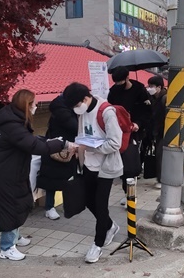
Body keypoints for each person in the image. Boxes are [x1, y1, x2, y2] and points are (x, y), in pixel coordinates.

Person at [0, 89, 73, 261]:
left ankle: (14, 237)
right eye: (34, 104)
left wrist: (53, 141)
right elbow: (35, 147)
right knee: (10, 208)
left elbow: (31, 140)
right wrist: (62, 144)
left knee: (20, 203)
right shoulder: (12, 125)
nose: (36, 106)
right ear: (27, 105)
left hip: (11, 171)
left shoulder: (13, 119)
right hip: (5, 174)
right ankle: (7, 248)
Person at [63, 82, 123, 264]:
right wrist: (77, 148)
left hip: (105, 167)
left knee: (100, 203)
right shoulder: (82, 112)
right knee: (88, 201)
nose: (75, 109)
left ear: (85, 99)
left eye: (76, 105)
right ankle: (110, 225)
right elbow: (83, 135)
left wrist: (92, 148)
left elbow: (115, 143)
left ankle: (97, 245)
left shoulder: (106, 112)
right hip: (87, 164)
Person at [108, 66, 151, 203]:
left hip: (134, 131)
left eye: (120, 82)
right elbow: (109, 108)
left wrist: (139, 123)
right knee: (121, 163)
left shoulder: (140, 90)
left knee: (130, 164)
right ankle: (127, 192)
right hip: (117, 130)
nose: (118, 85)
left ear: (127, 78)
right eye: (116, 82)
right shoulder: (114, 90)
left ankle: (130, 195)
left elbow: (147, 111)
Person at [36, 94, 79, 220]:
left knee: (64, 178)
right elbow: (75, 127)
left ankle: (66, 205)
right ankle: (49, 207)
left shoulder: (63, 108)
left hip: (66, 147)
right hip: (56, 148)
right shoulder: (63, 112)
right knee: (53, 179)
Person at [146, 75, 167, 188]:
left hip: (164, 132)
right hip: (157, 132)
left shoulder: (164, 98)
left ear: (159, 87)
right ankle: (160, 178)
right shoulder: (154, 98)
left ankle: (161, 180)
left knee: (161, 156)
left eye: (152, 86)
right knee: (159, 155)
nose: (150, 88)